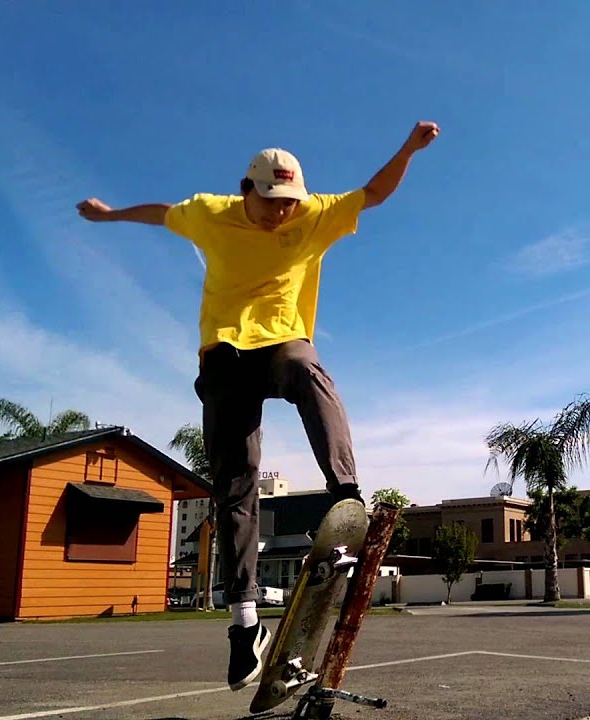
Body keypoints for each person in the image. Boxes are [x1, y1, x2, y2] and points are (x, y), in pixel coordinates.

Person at [75, 120, 440, 690]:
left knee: (304, 368)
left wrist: (409, 150)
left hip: (280, 343)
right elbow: (161, 213)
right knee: (234, 484)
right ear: (247, 190)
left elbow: (371, 194)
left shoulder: (314, 213)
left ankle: (345, 498)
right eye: (270, 202)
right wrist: (110, 214)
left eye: (289, 203)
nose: (280, 214)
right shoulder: (212, 213)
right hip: (223, 355)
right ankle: (244, 628)